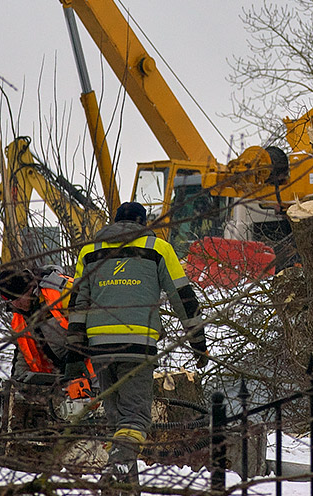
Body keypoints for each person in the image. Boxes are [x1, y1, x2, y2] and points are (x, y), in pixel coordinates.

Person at [66, 201, 209, 483]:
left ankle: (125, 484)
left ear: (115, 221)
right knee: (136, 418)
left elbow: (77, 305)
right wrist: (198, 343)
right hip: (137, 345)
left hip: (100, 348)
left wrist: (74, 355)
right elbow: (183, 298)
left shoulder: (90, 251)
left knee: (115, 417)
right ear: (143, 223)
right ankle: (118, 467)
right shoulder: (158, 248)